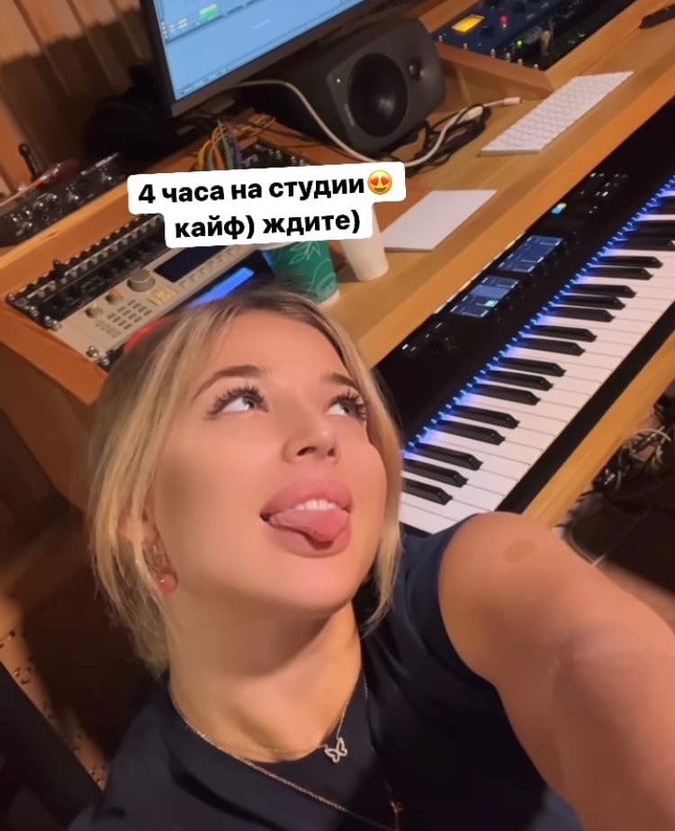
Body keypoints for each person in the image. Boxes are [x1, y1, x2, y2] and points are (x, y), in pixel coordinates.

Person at [69, 285, 675, 830]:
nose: (323, 432)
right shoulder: (149, 813)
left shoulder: (474, 574)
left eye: (346, 406)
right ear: (138, 509)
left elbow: (600, 662)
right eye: (241, 401)